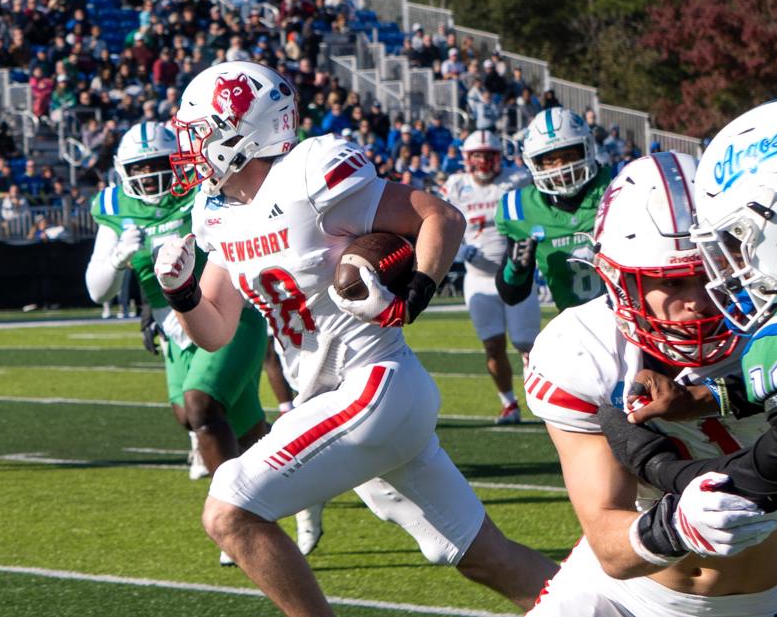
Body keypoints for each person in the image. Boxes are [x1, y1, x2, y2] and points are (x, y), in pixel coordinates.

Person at [155, 61, 557, 616]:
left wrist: (413, 294)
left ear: (242, 128)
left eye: (199, 133)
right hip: (336, 401)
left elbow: (440, 217)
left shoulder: (310, 173)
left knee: (230, 511)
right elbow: (216, 332)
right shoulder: (215, 211)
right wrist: (180, 294)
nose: (191, 149)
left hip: (373, 384)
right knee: (484, 556)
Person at [596, 97, 777, 550]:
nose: (737, 261)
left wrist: (649, 459)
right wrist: (713, 395)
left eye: (739, 238)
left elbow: (743, 488)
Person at [525, 153, 777, 616]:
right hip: (618, 596)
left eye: (711, 273)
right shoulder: (586, 349)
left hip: (755, 601)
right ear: (620, 280)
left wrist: (719, 397)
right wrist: (674, 527)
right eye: (670, 282)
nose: (697, 302)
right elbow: (609, 544)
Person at [84, 121, 271, 563]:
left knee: (201, 406)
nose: (149, 177)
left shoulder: (205, 189)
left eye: (158, 165)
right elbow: (97, 290)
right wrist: (116, 259)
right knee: (221, 421)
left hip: (227, 311)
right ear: (122, 171)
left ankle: (237, 513)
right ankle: (289, 482)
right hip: (173, 329)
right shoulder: (115, 207)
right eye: (139, 168)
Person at [440, 131, 540, 424]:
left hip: (515, 275)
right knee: (493, 345)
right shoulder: (456, 186)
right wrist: (459, 249)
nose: (483, 161)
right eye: (477, 155)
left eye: (489, 155)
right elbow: (442, 224)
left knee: (527, 345)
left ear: (499, 157)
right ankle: (509, 403)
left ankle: (544, 398)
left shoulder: (516, 180)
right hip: (478, 278)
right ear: (467, 158)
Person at [494, 107, 615, 312]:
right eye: (550, 160)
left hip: (632, 321)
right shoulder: (521, 209)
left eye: (568, 155)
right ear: (534, 163)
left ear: (587, 149)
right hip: (575, 329)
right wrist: (516, 269)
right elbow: (511, 296)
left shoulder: (619, 187)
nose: (561, 168)